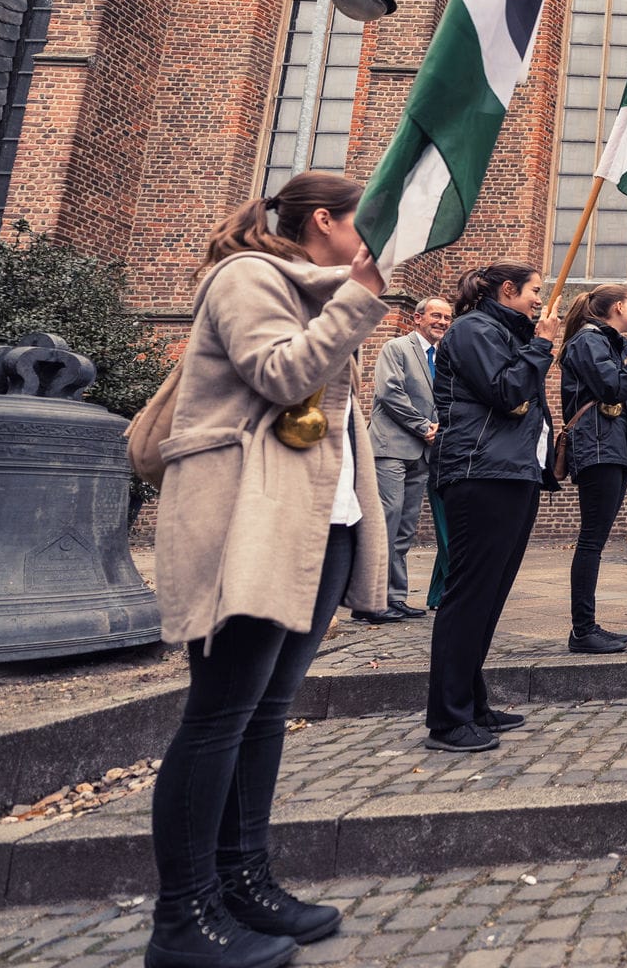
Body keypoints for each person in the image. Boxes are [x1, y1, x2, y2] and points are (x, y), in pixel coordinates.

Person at [145, 171, 391, 966]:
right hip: (247, 522)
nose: (372, 237)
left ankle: (244, 880)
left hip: (320, 524)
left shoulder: (319, 288)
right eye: (364, 222)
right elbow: (279, 374)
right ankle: (183, 919)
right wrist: (356, 299)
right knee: (218, 716)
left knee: (264, 710)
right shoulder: (246, 276)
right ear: (325, 220)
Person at [424, 261, 559, 755]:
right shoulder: (473, 329)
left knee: (490, 598)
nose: (540, 301)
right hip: (480, 473)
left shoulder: (501, 331)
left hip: (511, 472)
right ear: (508, 290)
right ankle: (447, 719)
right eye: (534, 292)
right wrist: (541, 345)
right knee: (468, 598)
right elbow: (506, 392)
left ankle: (472, 703)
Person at [557, 285, 627, 655]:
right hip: (597, 447)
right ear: (617, 308)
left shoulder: (606, 342)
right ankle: (582, 629)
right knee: (592, 540)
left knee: (595, 539)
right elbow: (613, 388)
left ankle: (588, 625)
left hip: (610, 447)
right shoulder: (588, 341)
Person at [366, 296, 452, 623]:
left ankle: (395, 597)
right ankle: (371, 600)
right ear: (418, 318)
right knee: (386, 521)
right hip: (392, 447)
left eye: (447, 317)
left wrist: (440, 427)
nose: (442, 322)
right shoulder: (397, 348)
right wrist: (423, 426)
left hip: (423, 451)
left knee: (405, 526)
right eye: (436, 315)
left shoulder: (442, 358)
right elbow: (391, 393)